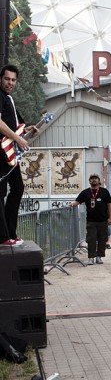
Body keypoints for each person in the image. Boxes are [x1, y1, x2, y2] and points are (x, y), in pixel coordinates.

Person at [0, 64, 38, 246]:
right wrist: (17, 137)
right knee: (0, 192)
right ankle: (3, 236)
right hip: (1, 151)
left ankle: (10, 233)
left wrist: (26, 130)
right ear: (1, 79)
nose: (10, 83)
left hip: (10, 153)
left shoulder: (9, 99)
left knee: (18, 188)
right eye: (7, 79)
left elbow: (14, 124)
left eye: (13, 80)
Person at [71, 174, 111, 265]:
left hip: (103, 220)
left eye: (95, 178)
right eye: (92, 179)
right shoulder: (85, 192)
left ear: (99, 180)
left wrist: (110, 218)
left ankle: (99, 257)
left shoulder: (104, 192)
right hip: (91, 221)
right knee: (91, 239)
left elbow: (109, 205)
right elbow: (77, 201)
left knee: (102, 240)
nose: (94, 180)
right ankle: (91, 257)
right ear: (89, 181)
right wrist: (72, 204)